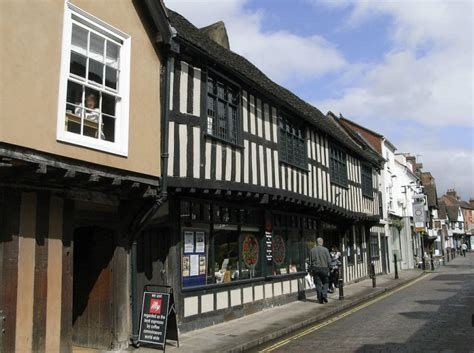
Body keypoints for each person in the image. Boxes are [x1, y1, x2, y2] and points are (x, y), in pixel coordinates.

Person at [308, 237, 331, 304]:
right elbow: (329, 261)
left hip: (315, 269)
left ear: (316, 242)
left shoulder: (312, 250)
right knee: (326, 283)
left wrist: (310, 270)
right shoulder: (326, 250)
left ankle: (320, 299)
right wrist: (330, 267)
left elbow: (310, 262)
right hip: (324, 269)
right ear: (322, 242)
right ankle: (324, 294)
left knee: (318, 284)